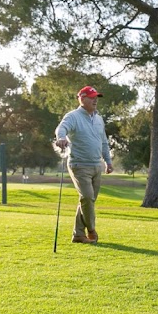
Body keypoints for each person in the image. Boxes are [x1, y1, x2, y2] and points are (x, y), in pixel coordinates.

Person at [54, 86, 114, 244]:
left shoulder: (99, 118)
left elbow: (103, 142)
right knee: (87, 197)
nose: (95, 100)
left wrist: (108, 161)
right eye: (92, 97)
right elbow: (62, 128)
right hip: (79, 165)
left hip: (97, 165)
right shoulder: (73, 116)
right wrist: (61, 137)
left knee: (88, 200)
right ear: (82, 99)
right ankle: (92, 230)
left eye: (97, 97)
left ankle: (78, 234)